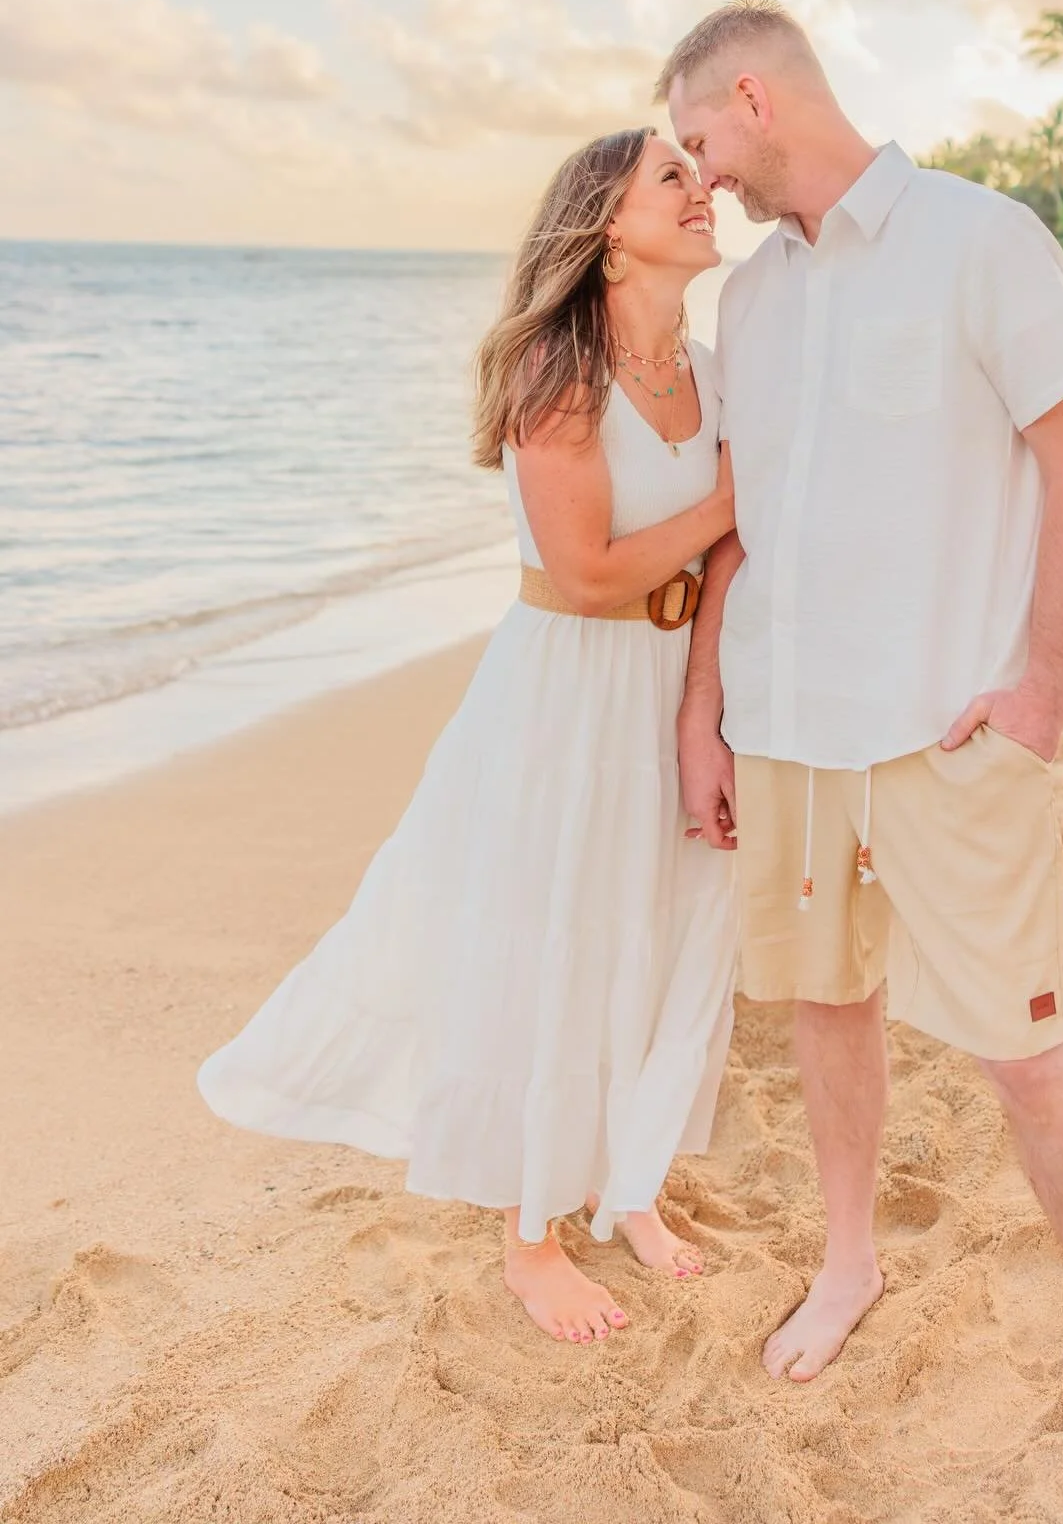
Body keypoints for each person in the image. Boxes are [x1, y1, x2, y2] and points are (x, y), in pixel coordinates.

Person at [660, 0, 1063, 1524]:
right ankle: (850, 1259)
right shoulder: (752, 301)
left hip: (949, 725)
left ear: (754, 98)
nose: (704, 178)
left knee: (1026, 1050)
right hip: (788, 729)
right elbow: (740, 524)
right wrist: (708, 711)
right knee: (828, 1008)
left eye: (702, 142)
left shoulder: (982, 237)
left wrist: (1043, 688)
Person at [199, 128, 739, 1346]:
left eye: (699, 176)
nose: (703, 190)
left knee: (666, 930)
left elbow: (725, 566)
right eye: (673, 177)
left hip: (678, 683)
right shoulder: (560, 371)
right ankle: (531, 1238)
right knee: (555, 941)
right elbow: (590, 572)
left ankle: (631, 1186)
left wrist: (709, 699)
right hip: (569, 692)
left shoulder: (712, 366)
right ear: (607, 228)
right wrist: (725, 502)